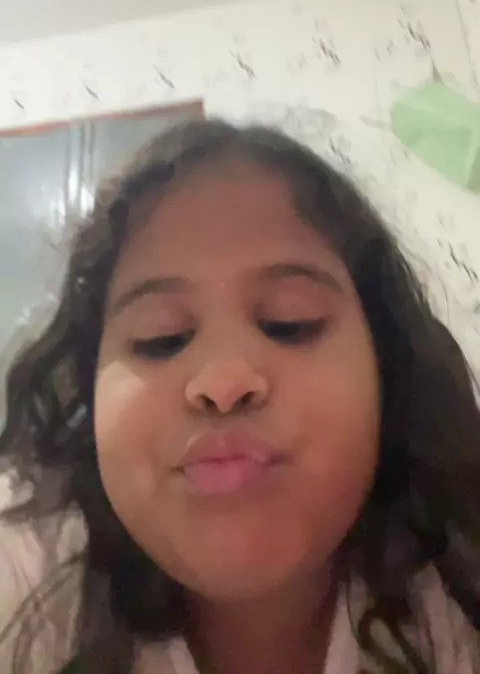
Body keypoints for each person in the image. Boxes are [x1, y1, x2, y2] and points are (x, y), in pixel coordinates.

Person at [0, 118, 479, 674]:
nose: (223, 383)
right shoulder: (25, 581)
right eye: (162, 338)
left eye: (289, 323)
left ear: (385, 368)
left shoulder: (460, 592)